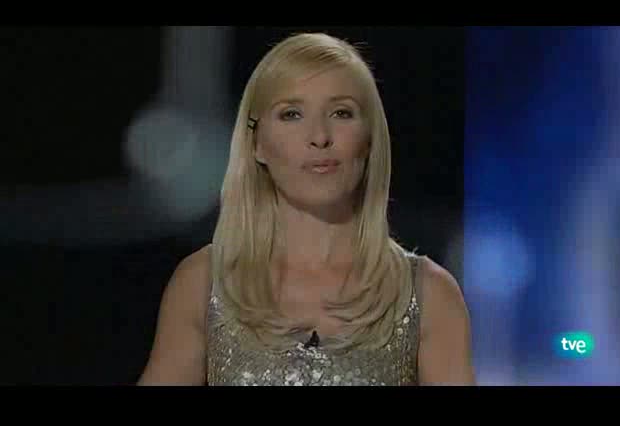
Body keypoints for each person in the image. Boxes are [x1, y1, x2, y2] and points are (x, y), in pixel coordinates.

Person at [137, 32, 475, 386]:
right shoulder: (203, 284)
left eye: (341, 113)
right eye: (292, 114)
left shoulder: (429, 294)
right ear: (256, 143)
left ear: (370, 139)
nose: (319, 136)